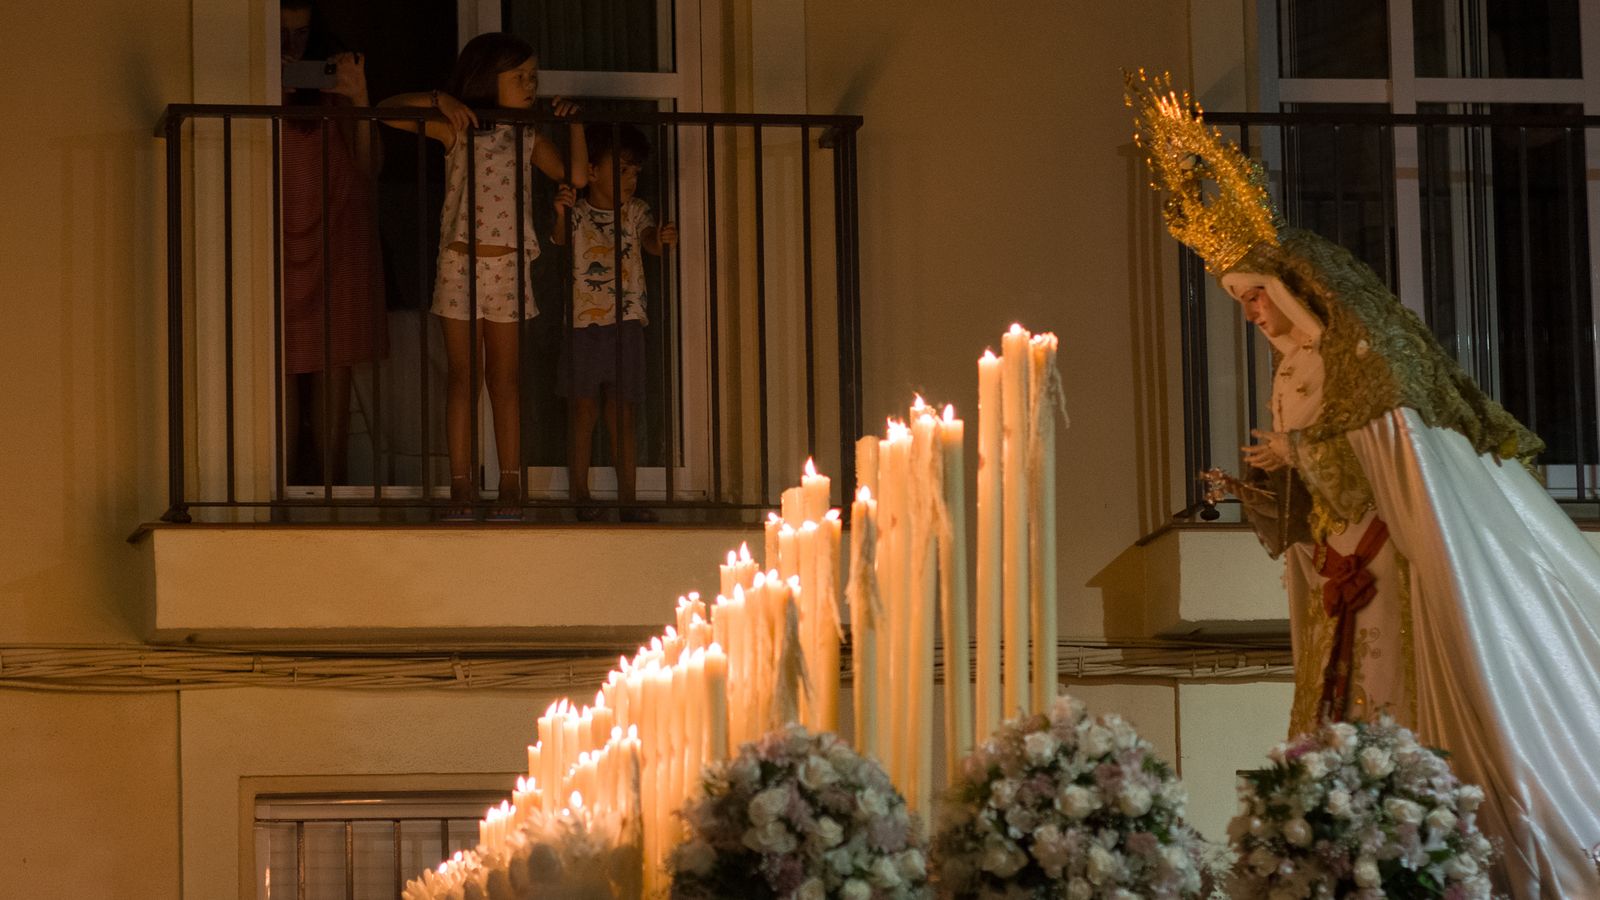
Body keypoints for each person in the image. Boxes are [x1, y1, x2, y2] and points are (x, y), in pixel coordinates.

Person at [1129, 71, 1600, 897]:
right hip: (1337, 562)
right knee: (1339, 700)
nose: (1251, 315)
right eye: (1239, 302)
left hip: (1383, 562)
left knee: (1395, 693)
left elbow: (1389, 451)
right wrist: (1269, 478)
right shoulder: (1289, 378)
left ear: (1286, 286)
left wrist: (1319, 445)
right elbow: (1320, 481)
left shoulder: (1348, 364)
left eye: (1255, 296)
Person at [379, 33, 586, 520]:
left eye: (533, 76)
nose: (530, 84)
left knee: (506, 380)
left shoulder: (528, 135)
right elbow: (386, 110)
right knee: (461, 378)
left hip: (509, 266)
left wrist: (574, 124)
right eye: (519, 77)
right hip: (460, 263)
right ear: (486, 78)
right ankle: (461, 486)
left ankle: (510, 484)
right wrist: (439, 99)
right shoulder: (458, 127)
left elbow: (574, 177)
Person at [279, 0, 386, 486]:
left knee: (333, 366)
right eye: (282, 36)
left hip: (338, 241)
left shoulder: (333, 90)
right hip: (272, 247)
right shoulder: (249, 81)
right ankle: (274, 497)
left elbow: (369, 168)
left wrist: (359, 96)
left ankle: (330, 499)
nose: (292, 47)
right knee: (273, 370)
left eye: (301, 36)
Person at [550, 124, 677, 523]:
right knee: (583, 410)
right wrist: (559, 213)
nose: (630, 179)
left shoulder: (637, 210)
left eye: (635, 171)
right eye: (621, 170)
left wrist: (662, 238)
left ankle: (628, 498)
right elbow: (559, 241)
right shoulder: (577, 212)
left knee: (622, 412)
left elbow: (651, 244)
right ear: (592, 171)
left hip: (627, 322)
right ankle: (580, 495)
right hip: (585, 324)